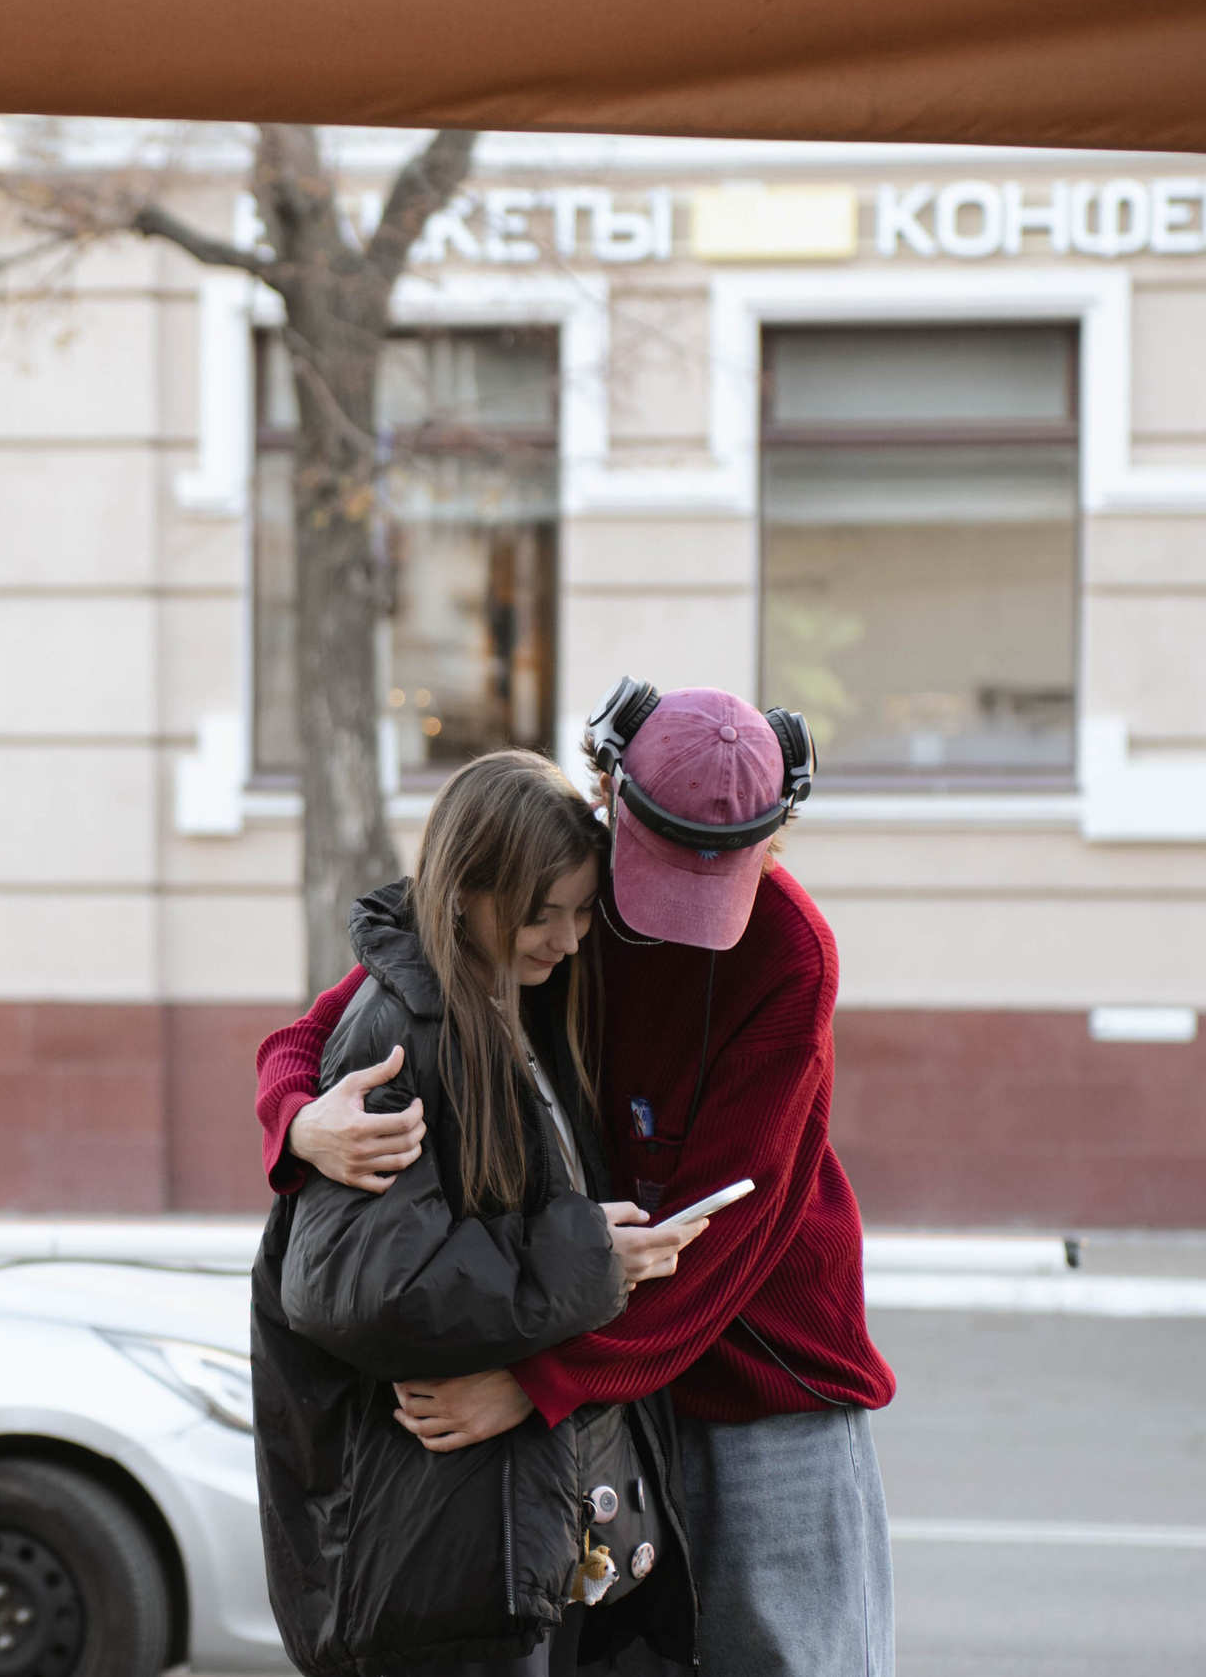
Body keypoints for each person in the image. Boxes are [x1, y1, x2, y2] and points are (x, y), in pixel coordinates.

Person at [258, 684, 898, 1677]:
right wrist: (300, 1119)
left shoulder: (790, 951)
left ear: (775, 835)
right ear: (609, 793)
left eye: (718, 878)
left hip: (756, 1367)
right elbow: (336, 1017)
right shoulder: (551, 884)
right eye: (649, 882)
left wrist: (538, 1380)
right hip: (596, 1355)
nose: (680, 917)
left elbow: (732, 1221)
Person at [254, 748, 704, 1677]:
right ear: (464, 892)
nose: (571, 940)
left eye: (585, 913)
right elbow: (372, 1290)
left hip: (505, 1532)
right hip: (446, 1550)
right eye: (544, 914)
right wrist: (589, 1259)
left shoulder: (520, 996)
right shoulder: (405, 1029)